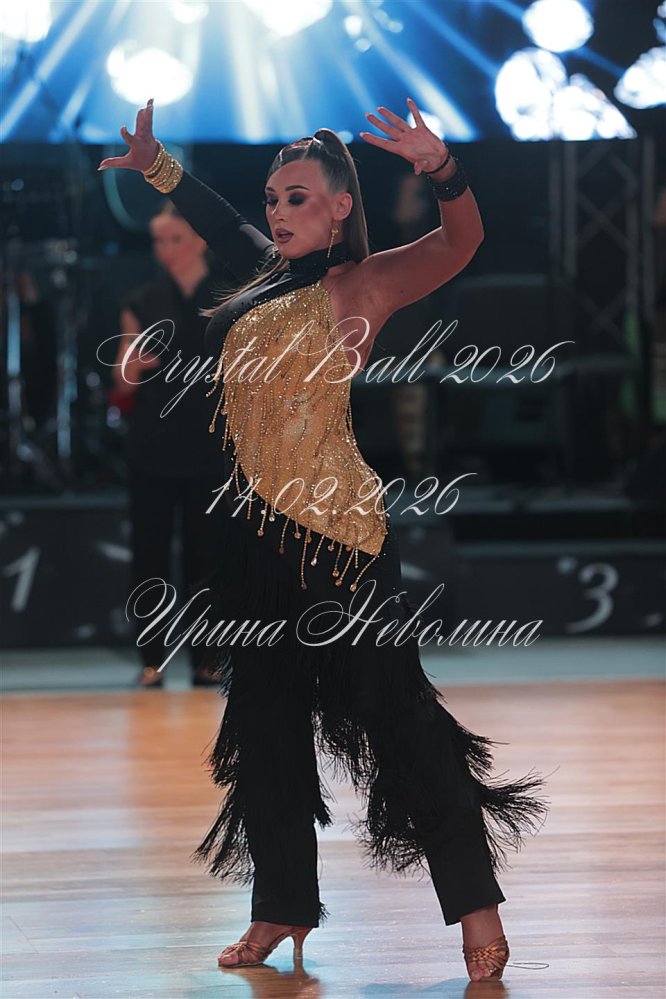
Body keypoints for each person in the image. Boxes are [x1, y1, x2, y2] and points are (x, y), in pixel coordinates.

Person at [98, 97, 548, 983]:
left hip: (340, 542)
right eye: (272, 199)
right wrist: (156, 165)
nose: (276, 211)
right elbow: (216, 217)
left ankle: (477, 905)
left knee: (403, 725)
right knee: (264, 729)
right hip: (252, 544)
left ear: (340, 207)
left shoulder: (363, 284)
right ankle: (281, 907)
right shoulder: (262, 276)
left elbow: (461, 244)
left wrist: (442, 169)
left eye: (296, 197)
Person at [111, 203, 229, 687]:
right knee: (150, 554)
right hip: (154, 446)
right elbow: (122, 383)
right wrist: (131, 367)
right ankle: (151, 658)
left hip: (211, 445)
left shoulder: (227, 299)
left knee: (208, 557)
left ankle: (207, 657)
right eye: (159, 241)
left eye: (175, 239)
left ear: (199, 240)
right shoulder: (143, 300)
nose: (166, 250)